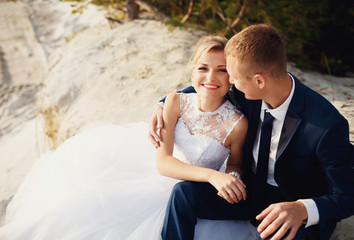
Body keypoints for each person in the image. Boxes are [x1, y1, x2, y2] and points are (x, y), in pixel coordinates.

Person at [0, 35, 254, 239]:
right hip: (157, 174)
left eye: (221, 70)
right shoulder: (175, 101)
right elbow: (163, 162)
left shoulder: (237, 124)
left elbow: (235, 164)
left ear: (232, 77)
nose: (210, 77)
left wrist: (230, 178)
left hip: (191, 190)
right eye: (203, 68)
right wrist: (212, 174)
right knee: (85, 205)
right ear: (192, 71)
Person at [149, 24, 354, 240]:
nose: (230, 83)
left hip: (290, 205)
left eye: (232, 77)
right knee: (184, 194)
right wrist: (162, 104)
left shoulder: (326, 125)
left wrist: (302, 209)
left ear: (259, 81)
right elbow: (207, 86)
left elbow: (348, 194)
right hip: (248, 191)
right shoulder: (249, 90)